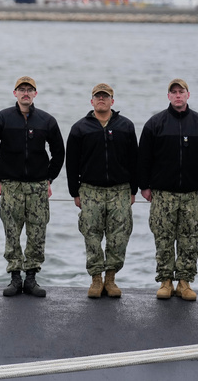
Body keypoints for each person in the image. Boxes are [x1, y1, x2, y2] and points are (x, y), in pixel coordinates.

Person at [0, 76, 64, 298]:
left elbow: (59, 152)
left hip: (38, 187)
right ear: (15, 93)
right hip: (11, 186)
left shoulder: (46, 121)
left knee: (37, 233)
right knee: (12, 232)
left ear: (35, 94)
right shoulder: (2, 118)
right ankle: (14, 278)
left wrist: (49, 178)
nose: (26, 93)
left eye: (30, 90)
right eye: (22, 89)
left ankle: (31, 278)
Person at [137, 78, 198, 301]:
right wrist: (145, 186)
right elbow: (144, 158)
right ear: (168, 96)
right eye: (174, 92)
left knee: (191, 239)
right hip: (163, 194)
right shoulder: (155, 124)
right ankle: (165, 281)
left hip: (192, 194)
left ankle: (184, 282)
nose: (178, 95)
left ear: (188, 95)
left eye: (181, 92)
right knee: (163, 238)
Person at [65, 83, 138, 299]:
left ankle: (111, 278)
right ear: (92, 101)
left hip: (120, 190)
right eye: (98, 96)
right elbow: (72, 163)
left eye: (105, 97)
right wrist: (74, 192)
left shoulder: (126, 126)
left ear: (112, 101)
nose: (101, 100)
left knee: (119, 236)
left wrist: (133, 189)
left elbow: (135, 159)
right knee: (91, 235)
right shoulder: (80, 128)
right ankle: (96, 279)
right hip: (90, 190)